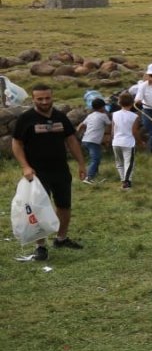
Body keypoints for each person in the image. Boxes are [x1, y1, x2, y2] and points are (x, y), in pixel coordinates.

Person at [11, 83, 88, 260]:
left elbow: (71, 140)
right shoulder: (26, 118)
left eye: (47, 98)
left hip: (60, 170)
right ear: (33, 99)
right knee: (38, 208)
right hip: (37, 174)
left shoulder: (60, 117)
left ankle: (61, 238)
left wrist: (81, 164)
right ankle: (41, 246)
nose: (44, 102)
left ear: (52, 96)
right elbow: (17, 143)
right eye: (40, 99)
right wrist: (25, 166)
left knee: (64, 205)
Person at [129, 62, 152, 153]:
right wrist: (138, 101)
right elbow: (138, 99)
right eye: (151, 75)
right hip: (149, 112)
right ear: (148, 75)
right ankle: (150, 153)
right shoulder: (143, 86)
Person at [110, 92, 143, 190]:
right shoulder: (134, 116)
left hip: (116, 142)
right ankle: (127, 183)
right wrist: (140, 142)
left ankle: (123, 180)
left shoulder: (114, 114)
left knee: (119, 163)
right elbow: (134, 131)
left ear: (119, 103)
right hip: (128, 143)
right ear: (132, 103)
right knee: (129, 163)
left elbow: (113, 130)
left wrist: (113, 139)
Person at [76, 97, 110, 183]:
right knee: (96, 159)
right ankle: (88, 177)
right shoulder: (103, 116)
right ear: (102, 107)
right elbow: (110, 125)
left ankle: (95, 175)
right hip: (94, 141)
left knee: (95, 158)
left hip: (86, 140)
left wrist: (77, 134)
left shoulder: (90, 115)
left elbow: (81, 125)